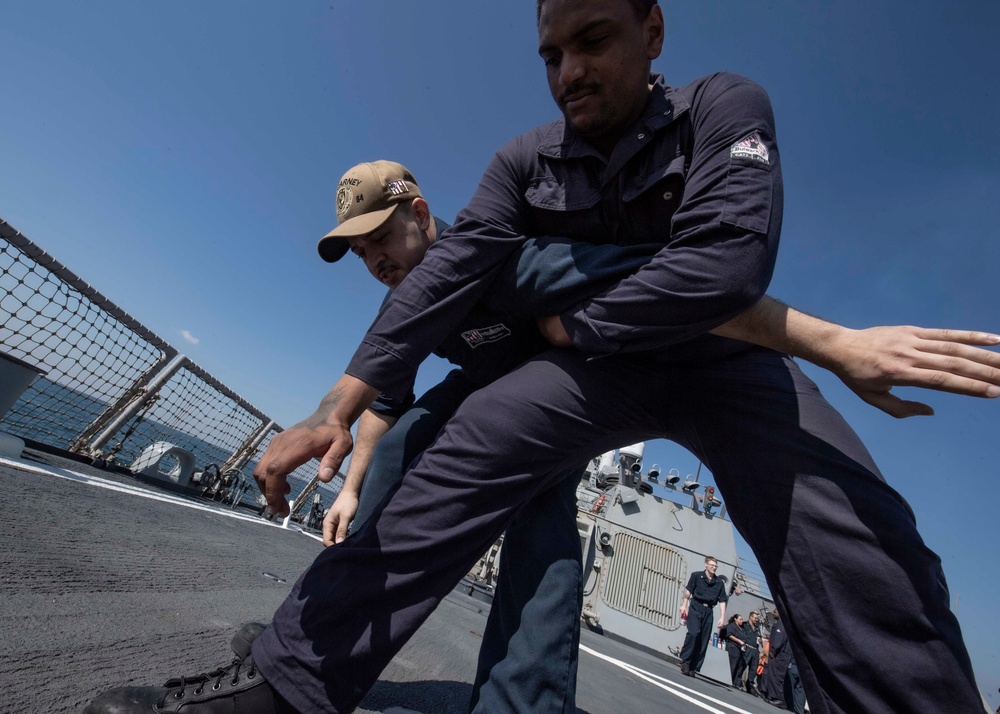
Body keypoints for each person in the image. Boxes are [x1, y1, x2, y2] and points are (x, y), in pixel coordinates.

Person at [86, 1, 1000, 713]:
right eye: (550, 55)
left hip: (729, 361)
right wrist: (336, 408)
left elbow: (723, 266)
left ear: (652, 31)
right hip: (581, 378)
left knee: (859, 538)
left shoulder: (726, 106)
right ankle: (290, 683)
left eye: (592, 41)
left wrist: (572, 326)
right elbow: (440, 286)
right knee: (453, 461)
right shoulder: (523, 166)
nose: (568, 72)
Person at [678, 556, 728, 677]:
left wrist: (722, 617)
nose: (714, 567)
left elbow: (722, 600)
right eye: (712, 565)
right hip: (696, 606)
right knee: (693, 633)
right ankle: (685, 661)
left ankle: (693, 667)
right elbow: (688, 591)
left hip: (708, 610)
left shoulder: (719, 583)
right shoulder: (696, 576)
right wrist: (684, 605)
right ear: (706, 564)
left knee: (703, 639)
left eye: (715, 566)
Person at [760, 609, 792, 706]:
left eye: (775, 611)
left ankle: (778, 697)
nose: (773, 612)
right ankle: (772, 695)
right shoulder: (782, 623)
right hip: (781, 655)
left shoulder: (781, 624)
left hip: (780, 656)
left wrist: (773, 650)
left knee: (776, 676)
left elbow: (778, 638)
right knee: (774, 675)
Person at [723, 613, 749, 688]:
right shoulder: (732, 626)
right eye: (740, 619)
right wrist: (739, 641)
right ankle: (726, 679)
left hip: (739, 649)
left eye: (742, 619)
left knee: (736, 665)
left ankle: (732, 680)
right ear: (735, 619)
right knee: (731, 664)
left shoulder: (742, 628)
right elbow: (730, 635)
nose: (741, 621)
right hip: (732, 646)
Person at [742, 610, 763, 695]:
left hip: (755, 650)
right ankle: (736, 682)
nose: (756, 620)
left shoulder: (758, 628)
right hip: (748, 648)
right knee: (743, 665)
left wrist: (760, 640)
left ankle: (749, 686)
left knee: (753, 669)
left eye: (757, 618)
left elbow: (760, 639)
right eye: (755, 618)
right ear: (750, 617)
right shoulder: (744, 625)